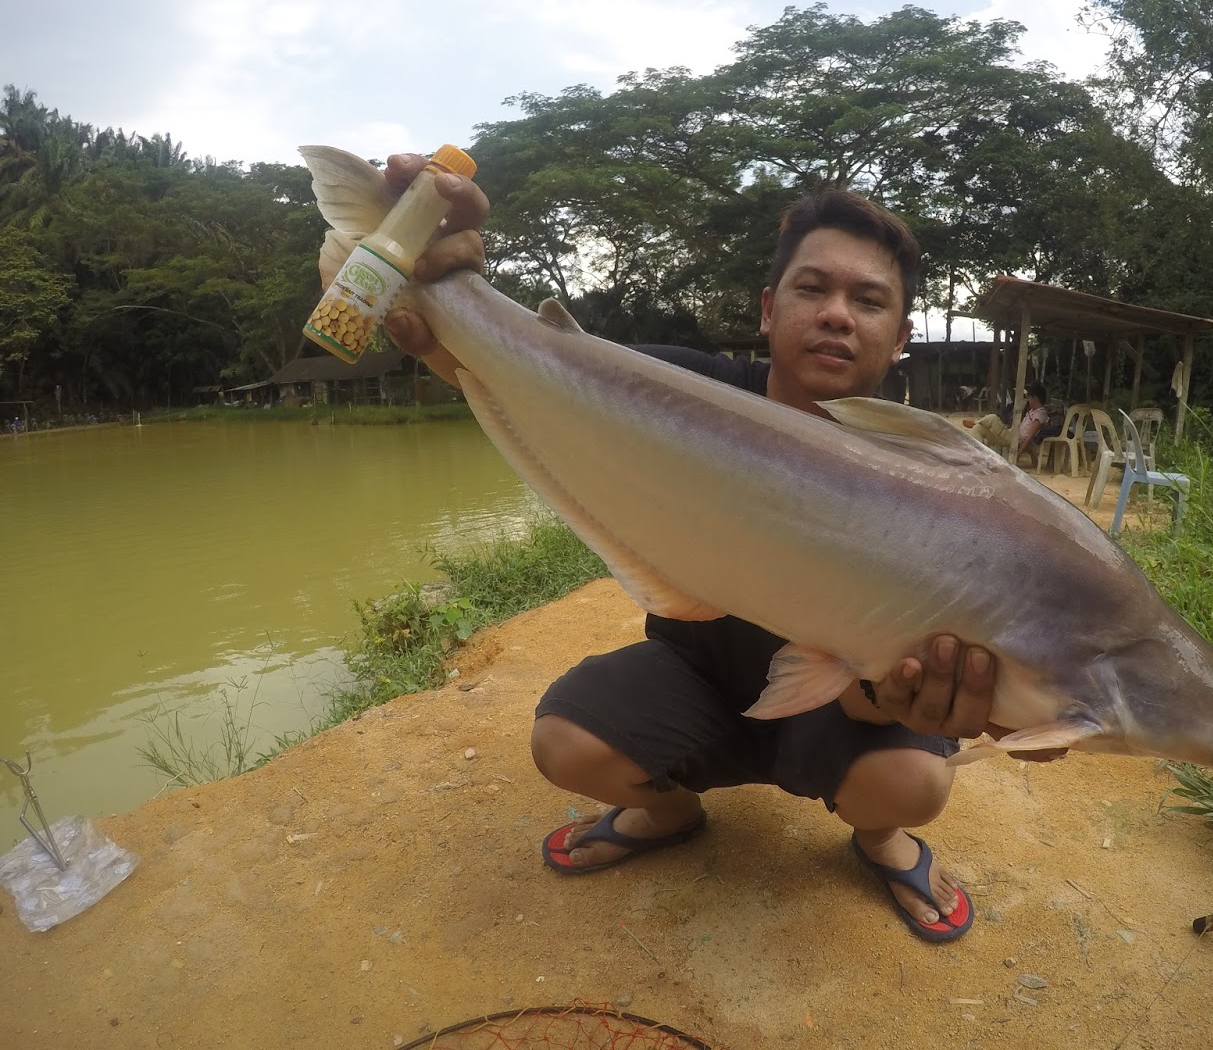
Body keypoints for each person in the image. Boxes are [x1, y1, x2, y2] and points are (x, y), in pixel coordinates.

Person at [358, 155, 1065, 944]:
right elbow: (524, 368)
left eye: (867, 300)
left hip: (834, 706)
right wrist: (433, 275)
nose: (837, 314)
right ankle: (669, 812)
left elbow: (874, 688)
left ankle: (879, 838)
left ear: (900, 338)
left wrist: (901, 692)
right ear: (768, 309)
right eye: (812, 289)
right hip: (699, 679)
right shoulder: (680, 394)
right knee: (563, 740)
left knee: (914, 778)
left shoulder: (932, 477)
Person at [964, 382, 1049, 461]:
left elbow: (1029, 437)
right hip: (1011, 433)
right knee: (978, 428)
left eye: (1029, 398)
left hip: (1015, 439)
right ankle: (976, 456)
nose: (1028, 400)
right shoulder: (1032, 411)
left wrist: (1017, 455)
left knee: (993, 418)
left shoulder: (1040, 414)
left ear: (1035, 398)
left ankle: (975, 421)